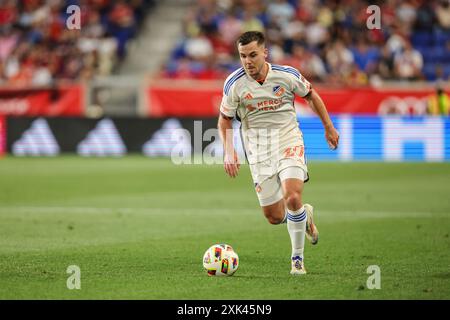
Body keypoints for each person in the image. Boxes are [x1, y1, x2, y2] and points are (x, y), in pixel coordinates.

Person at [217, 31, 339, 275]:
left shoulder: (286, 75)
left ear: (265, 52)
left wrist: (328, 126)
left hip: (288, 139)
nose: (248, 61)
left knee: (292, 196)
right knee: (273, 216)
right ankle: (304, 217)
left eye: (253, 55)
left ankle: (297, 260)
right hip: (258, 149)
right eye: (242, 56)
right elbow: (224, 120)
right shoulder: (234, 84)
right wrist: (229, 151)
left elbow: (311, 96)